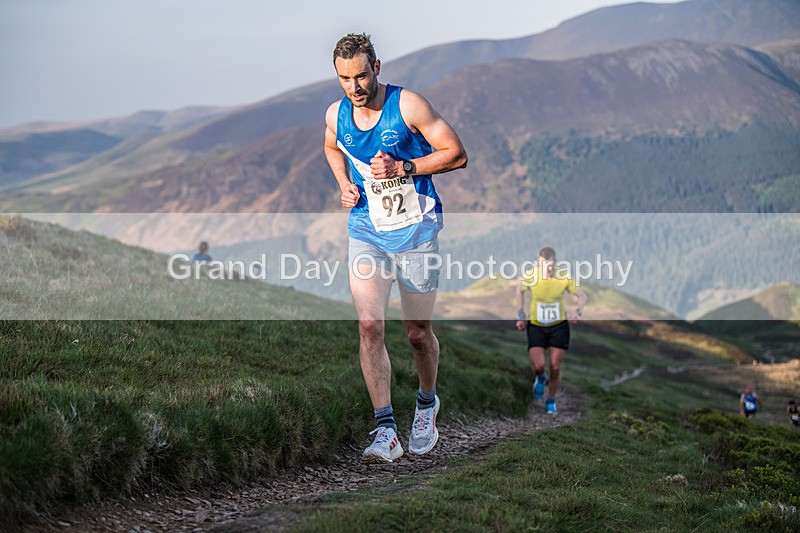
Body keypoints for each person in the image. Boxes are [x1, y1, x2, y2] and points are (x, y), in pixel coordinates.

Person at [323, 33, 468, 463]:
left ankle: (427, 404)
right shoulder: (336, 114)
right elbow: (333, 146)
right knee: (370, 327)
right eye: (345, 78)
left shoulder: (408, 106)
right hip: (366, 229)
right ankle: (385, 429)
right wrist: (345, 185)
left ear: (378, 67)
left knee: (417, 333)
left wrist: (405, 167)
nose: (355, 87)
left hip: (416, 231)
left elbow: (456, 153)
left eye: (362, 75)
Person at [515, 247, 586, 415]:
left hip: (558, 326)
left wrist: (578, 311)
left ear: (554, 263)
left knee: (555, 366)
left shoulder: (563, 276)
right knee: (539, 366)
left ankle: (551, 400)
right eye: (543, 265)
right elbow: (519, 289)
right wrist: (520, 313)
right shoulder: (531, 275)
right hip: (536, 325)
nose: (547, 270)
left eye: (550, 266)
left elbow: (582, 295)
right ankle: (540, 378)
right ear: (538, 262)